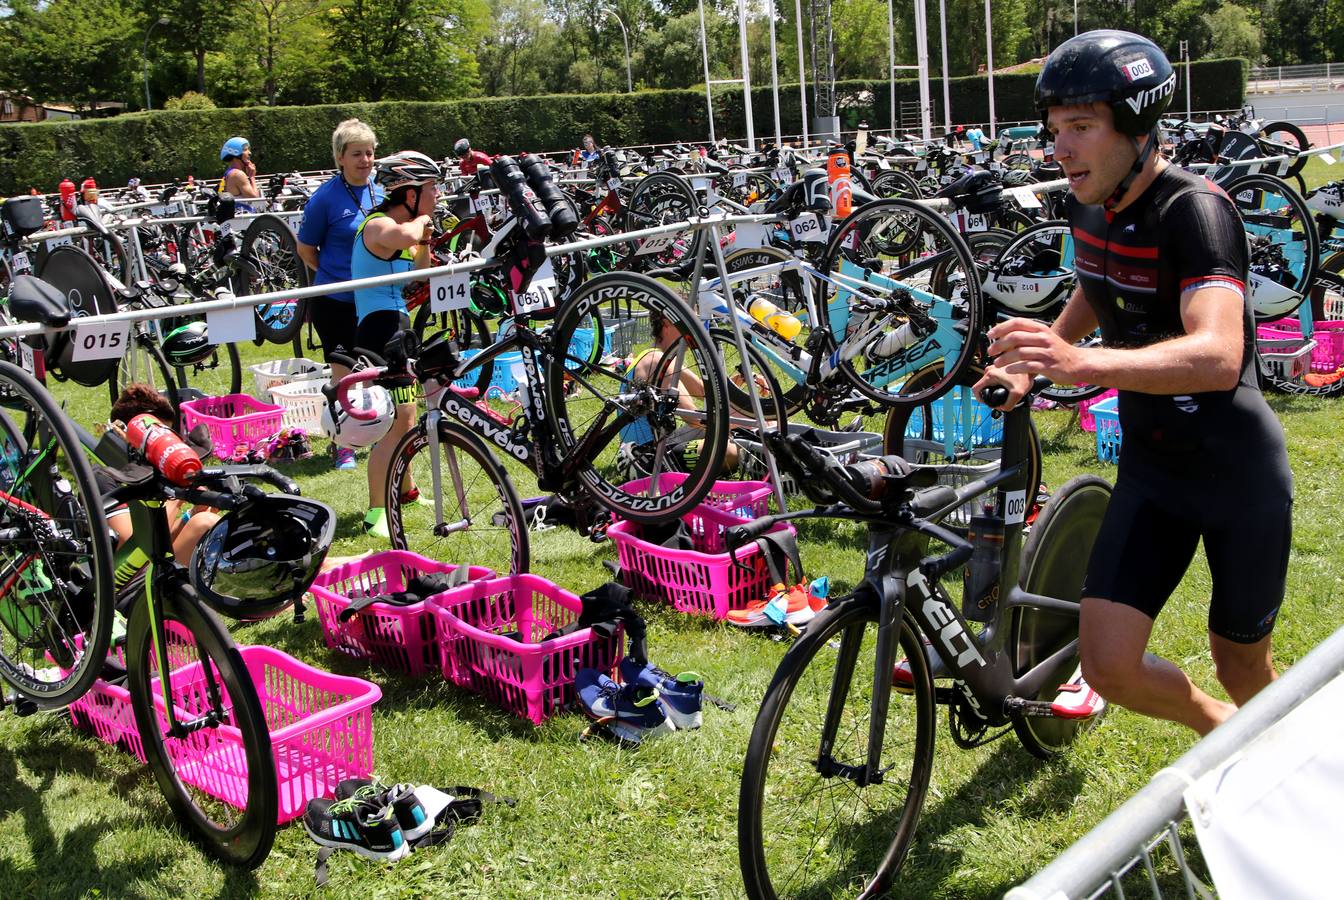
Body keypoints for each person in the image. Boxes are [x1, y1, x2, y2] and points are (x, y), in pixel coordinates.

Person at [975, 30, 1293, 736]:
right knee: (1111, 667)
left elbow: (1218, 351)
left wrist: (1084, 366)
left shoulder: (1195, 211)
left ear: (1138, 127)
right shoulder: (1088, 202)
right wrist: (1039, 355)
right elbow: (1099, 286)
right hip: (1153, 468)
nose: (1060, 148)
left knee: (1241, 664)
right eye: (1055, 129)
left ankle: (1306, 764)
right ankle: (1223, 738)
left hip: (1233, 468)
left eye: (1082, 128)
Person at [350, 150, 440, 538]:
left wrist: (426, 240)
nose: (437, 197)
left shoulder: (401, 228)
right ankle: (376, 512)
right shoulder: (376, 226)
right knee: (393, 423)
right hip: (378, 328)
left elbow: (421, 272)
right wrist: (420, 224)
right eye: (431, 189)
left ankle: (406, 491)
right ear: (409, 193)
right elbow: (404, 235)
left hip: (396, 323)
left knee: (406, 417)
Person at [296, 118, 382, 471]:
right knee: (343, 375)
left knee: (378, 371)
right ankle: (342, 445)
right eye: (357, 154)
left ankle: (378, 432)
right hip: (335, 301)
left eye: (370, 153)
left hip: (374, 299)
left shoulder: (381, 189)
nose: (366, 160)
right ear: (340, 158)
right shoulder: (325, 198)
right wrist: (336, 277)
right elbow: (306, 248)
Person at [102, 384, 219, 570]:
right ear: (123, 433)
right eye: (154, 437)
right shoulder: (106, 474)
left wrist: (192, 513)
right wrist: (177, 496)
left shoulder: (151, 468)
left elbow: (163, 542)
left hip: (152, 569)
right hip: (123, 580)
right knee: (203, 524)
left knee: (204, 520)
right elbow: (134, 548)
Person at [621, 308, 739, 478]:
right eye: (690, 320)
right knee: (729, 450)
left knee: (740, 430)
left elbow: (702, 389)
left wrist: (739, 383)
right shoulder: (655, 361)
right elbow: (693, 418)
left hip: (665, 441)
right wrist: (740, 423)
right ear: (667, 322)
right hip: (647, 454)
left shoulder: (660, 357)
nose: (695, 327)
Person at [219, 136, 261, 209]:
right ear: (235, 153)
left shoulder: (230, 172)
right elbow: (255, 200)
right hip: (242, 218)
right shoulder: (238, 174)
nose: (249, 153)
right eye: (245, 150)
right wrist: (252, 177)